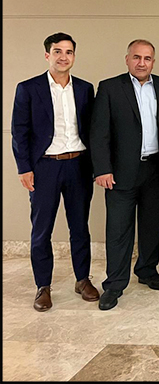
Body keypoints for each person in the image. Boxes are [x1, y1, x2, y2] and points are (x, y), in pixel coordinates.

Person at [11, 32, 100, 312]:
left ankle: (82, 279)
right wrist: (24, 168)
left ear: (74, 56)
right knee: (41, 230)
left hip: (78, 165)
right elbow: (19, 132)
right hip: (45, 167)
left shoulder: (85, 89)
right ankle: (43, 286)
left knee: (79, 227)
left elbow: (93, 130)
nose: (64, 57)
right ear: (47, 55)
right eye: (58, 51)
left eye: (69, 52)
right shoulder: (28, 88)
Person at [90, 40, 159, 310]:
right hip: (120, 172)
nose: (142, 63)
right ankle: (114, 285)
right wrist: (102, 168)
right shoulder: (109, 88)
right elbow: (99, 132)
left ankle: (147, 271)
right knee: (118, 230)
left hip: (155, 170)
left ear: (153, 61)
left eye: (147, 58)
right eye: (137, 57)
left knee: (152, 226)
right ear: (127, 59)